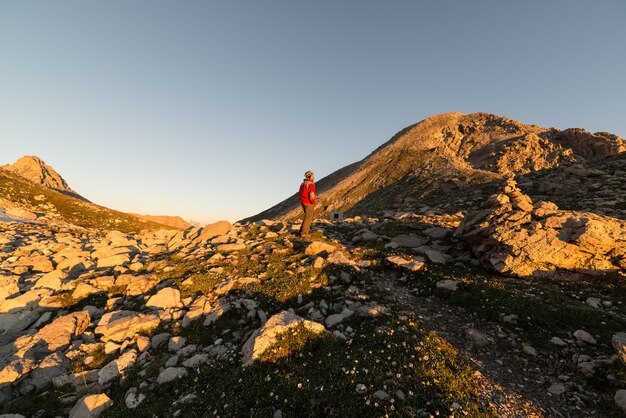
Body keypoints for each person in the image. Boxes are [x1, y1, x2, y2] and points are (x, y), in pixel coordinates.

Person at [298, 170, 316, 237]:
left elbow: (299, 193)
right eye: (313, 176)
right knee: (308, 217)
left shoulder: (303, 183)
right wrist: (313, 202)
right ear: (310, 176)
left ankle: (301, 230)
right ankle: (304, 233)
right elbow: (312, 194)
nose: (314, 177)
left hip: (303, 202)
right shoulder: (310, 183)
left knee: (306, 216)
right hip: (309, 202)